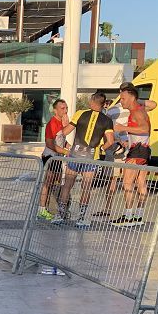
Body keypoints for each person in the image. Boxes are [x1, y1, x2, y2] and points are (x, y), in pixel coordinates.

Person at [53, 92, 115, 229]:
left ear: (92, 102)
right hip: (91, 157)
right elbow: (110, 141)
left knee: (67, 186)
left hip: (75, 154)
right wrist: (101, 148)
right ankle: (81, 218)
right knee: (86, 188)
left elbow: (64, 132)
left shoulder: (80, 113)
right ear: (103, 104)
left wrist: (64, 134)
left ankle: (60, 215)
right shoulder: (107, 120)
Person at [111, 82, 152, 227]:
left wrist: (123, 128)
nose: (121, 102)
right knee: (141, 182)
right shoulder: (139, 110)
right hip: (143, 150)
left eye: (123, 98)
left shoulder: (137, 112)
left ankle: (128, 217)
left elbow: (145, 129)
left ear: (132, 97)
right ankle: (138, 216)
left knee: (127, 182)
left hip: (137, 151)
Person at [37, 98, 71, 220]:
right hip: (50, 157)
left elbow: (61, 140)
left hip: (58, 158)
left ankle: (56, 209)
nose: (65, 111)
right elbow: (50, 144)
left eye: (66, 108)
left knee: (56, 183)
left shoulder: (62, 123)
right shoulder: (52, 123)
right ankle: (41, 209)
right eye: (62, 108)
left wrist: (70, 147)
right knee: (47, 183)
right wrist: (66, 152)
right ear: (55, 110)